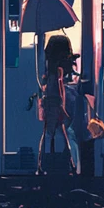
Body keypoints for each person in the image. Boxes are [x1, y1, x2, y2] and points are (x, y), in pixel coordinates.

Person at [38, 34, 81, 176]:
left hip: (53, 120)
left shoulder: (48, 74)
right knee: (68, 139)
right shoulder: (59, 76)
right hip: (61, 119)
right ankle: (71, 167)